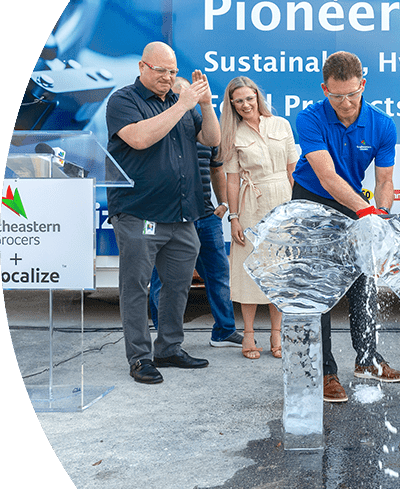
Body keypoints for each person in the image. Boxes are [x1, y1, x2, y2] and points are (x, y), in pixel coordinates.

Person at [292, 50, 400, 403]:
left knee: (363, 279)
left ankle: (367, 359)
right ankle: (326, 371)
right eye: (336, 95)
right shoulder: (309, 119)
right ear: (324, 89)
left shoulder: (382, 124)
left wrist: (382, 215)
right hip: (313, 198)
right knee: (321, 288)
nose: (345, 102)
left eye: (352, 94)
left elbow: (385, 179)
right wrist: (367, 212)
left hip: (356, 202)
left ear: (363, 85)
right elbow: (327, 178)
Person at [106, 41, 220, 384]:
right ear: (143, 67)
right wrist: (183, 103)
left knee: (178, 286)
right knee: (136, 287)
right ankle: (140, 357)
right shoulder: (123, 101)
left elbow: (211, 139)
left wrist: (205, 104)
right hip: (140, 212)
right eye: (161, 71)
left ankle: (169, 348)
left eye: (172, 71)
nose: (168, 77)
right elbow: (139, 139)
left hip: (182, 213)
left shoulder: (182, 101)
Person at [148, 78, 243, 349]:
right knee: (163, 280)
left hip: (205, 215)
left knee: (218, 276)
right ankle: (162, 334)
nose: (186, 104)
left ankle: (224, 331)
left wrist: (222, 203)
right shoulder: (162, 131)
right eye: (180, 98)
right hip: (170, 217)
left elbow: (217, 169)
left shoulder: (205, 130)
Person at [220, 76, 298, 360]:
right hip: (250, 202)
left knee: (279, 270)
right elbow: (231, 181)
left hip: (282, 198)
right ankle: (249, 335)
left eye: (249, 99)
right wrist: (234, 218)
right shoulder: (232, 134)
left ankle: (277, 334)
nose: (244, 105)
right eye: (238, 101)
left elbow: (293, 170)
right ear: (232, 104)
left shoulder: (281, 125)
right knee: (249, 269)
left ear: (257, 97)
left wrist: (297, 210)